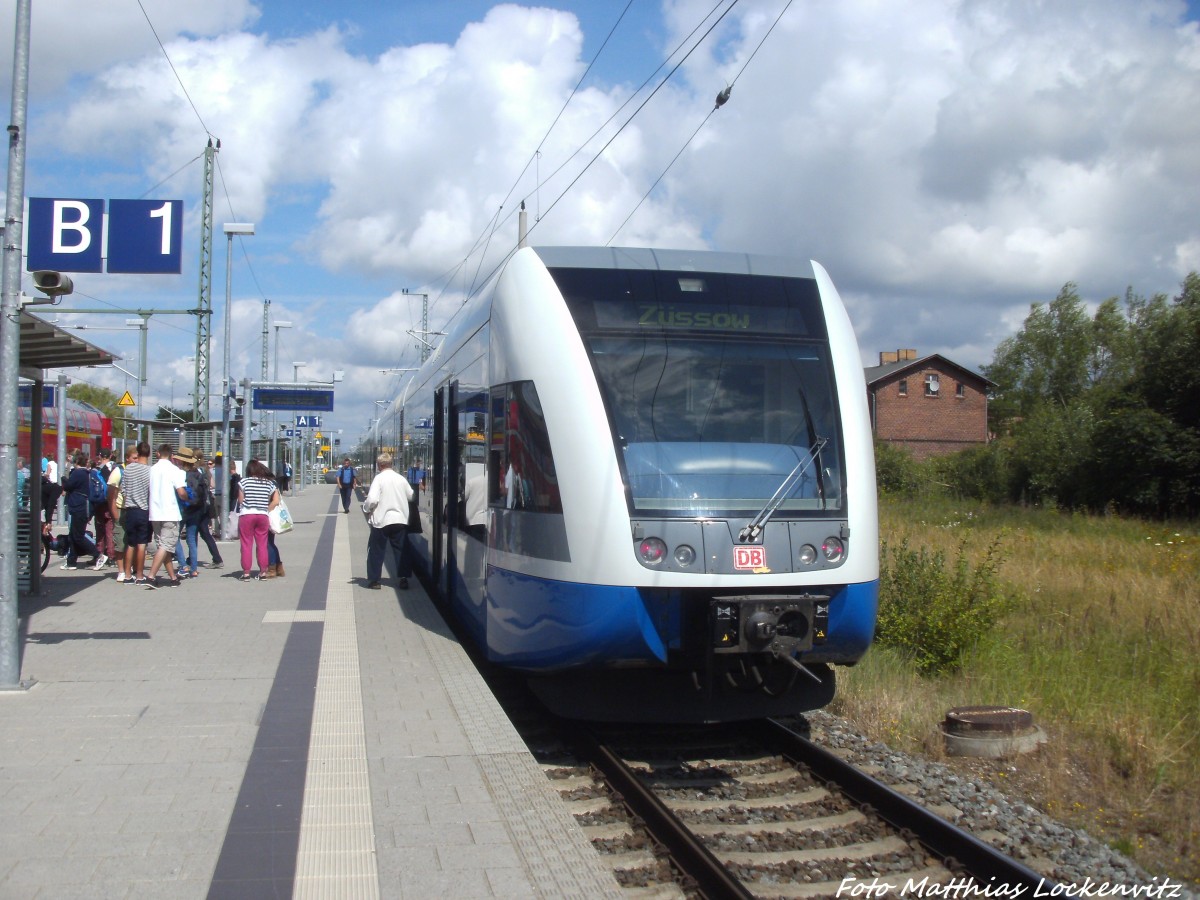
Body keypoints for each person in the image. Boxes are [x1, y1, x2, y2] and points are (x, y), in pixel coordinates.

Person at [362, 452, 414, 590]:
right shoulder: (400, 478)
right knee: (401, 550)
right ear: (391, 464)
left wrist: (366, 508)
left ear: (380, 465)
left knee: (376, 550)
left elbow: (372, 499)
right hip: (399, 520)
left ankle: (375, 581)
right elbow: (410, 495)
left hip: (381, 521)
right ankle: (403, 579)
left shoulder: (379, 479)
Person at [144, 443, 187, 588]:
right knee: (166, 546)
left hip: (155, 513)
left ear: (157, 454)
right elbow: (181, 492)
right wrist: (187, 498)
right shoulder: (174, 470)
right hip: (170, 512)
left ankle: (173, 577)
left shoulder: (151, 470)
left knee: (163, 546)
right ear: (171, 455)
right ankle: (151, 576)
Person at [58, 450, 104, 570]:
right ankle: (71, 562)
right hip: (82, 507)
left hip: (79, 507)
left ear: (77, 461)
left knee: (77, 536)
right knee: (73, 535)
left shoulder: (78, 473)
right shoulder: (86, 473)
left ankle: (97, 554)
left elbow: (68, 486)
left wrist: (63, 478)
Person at [237, 459, 280, 580]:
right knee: (262, 544)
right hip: (262, 515)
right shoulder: (268, 483)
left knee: (246, 544)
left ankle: (246, 573)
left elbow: (240, 500)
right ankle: (263, 572)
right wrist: (266, 508)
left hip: (247, 515)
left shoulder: (244, 482)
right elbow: (275, 500)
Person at [173, 448, 205, 578]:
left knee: (174, 537)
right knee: (191, 539)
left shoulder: (180, 474)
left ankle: (183, 564)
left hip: (182, 509)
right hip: (196, 509)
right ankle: (194, 568)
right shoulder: (198, 473)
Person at [108, 445, 135, 582]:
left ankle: (129, 568)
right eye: (134, 458)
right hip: (120, 509)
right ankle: (121, 571)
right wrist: (115, 514)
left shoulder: (137, 471)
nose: (136, 461)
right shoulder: (118, 472)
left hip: (133, 510)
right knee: (120, 541)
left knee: (132, 542)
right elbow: (111, 494)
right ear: (127, 458)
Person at [195, 454, 223, 569]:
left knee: (194, 533)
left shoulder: (195, 471)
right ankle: (216, 558)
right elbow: (212, 485)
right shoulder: (206, 470)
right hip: (207, 503)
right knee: (204, 533)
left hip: (197, 505)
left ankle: (191, 559)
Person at [92, 447, 117, 567]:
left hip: (99, 502)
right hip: (111, 501)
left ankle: (99, 553)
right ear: (110, 456)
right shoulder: (115, 468)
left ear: (100, 456)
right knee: (110, 528)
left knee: (99, 529)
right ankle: (111, 556)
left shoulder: (97, 470)